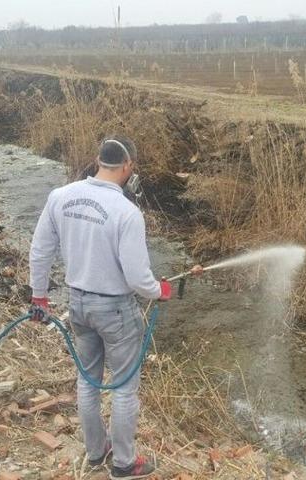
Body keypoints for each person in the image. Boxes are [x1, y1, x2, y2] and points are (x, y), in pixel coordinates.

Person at [28, 136, 202, 479]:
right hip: (116, 311)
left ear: (97, 161)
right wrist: (160, 291)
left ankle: (96, 452)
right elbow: (138, 278)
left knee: (88, 381)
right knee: (124, 388)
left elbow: (40, 250)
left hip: (78, 305)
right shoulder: (127, 212)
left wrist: (39, 297)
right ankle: (124, 463)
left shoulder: (60, 196)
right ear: (128, 166)